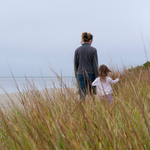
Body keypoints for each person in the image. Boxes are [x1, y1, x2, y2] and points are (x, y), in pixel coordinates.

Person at [74, 32, 98, 99]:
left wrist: (76, 76)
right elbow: (95, 65)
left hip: (80, 74)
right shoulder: (93, 50)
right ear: (90, 40)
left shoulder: (77, 50)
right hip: (91, 74)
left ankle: (82, 108)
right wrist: (97, 77)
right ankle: (92, 107)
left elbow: (76, 64)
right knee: (92, 94)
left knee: (82, 94)